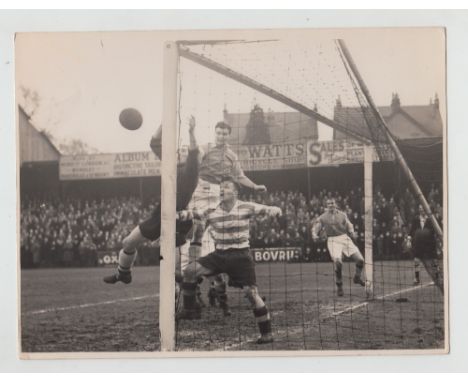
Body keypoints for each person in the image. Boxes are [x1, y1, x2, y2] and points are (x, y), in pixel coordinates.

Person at [178, 178, 281, 345]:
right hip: (219, 255)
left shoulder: (245, 206)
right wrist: (179, 215)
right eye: (221, 187)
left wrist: (274, 209)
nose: (222, 189)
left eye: (226, 187)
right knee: (190, 271)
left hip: (241, 256)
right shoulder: (211, 209)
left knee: (251, 294)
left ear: (235, 192)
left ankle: (266, 334)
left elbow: (265, 209)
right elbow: (193, 214)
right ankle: (190, 310)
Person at [103, 117, 200, 285]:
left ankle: (186, 296)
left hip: (179, 218)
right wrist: (164, 121)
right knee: (128, 242)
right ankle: (123, 273)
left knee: (173, 270)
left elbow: (193, 152)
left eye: (184, 150)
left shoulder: (191, 171)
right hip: (160, 214)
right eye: (180, 150)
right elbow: (154, 143)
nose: (181, 152)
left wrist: (191, 132)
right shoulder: (170, 164)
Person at [187, 121, 267, 307]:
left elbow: (239, 176)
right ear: (215, 133)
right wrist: (191, 132)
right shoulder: (206, 147)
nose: (221, 136)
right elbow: (193, 155)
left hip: (218, 191)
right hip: (200, 188)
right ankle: (196, 271)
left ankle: (220, 271)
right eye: (219, 133)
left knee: (219, 227)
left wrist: (255, 186)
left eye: (224, 133)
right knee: (194, 225)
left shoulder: (231, 155)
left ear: (228, 135)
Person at [311, 198, 366, 297]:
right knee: (338, 262)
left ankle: (357, 277)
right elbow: (316, 226)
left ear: (335, 204)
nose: (330, 205)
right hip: (332, 240)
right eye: (328, 204)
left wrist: (352, 232)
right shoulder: (323, 217)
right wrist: (314, 234)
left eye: (332, 203)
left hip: (344, 238)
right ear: (326, 206)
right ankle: (339, 285)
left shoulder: (342, 215)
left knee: (361, 260)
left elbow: (349, 225)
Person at [407, 204, 441, 286]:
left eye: (422, 208)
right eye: (419, 208)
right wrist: (408, 240)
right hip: (419, 244)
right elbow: (411, 231)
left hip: (430, 243)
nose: (421, 210)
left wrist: (439, 243)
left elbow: (437, 231)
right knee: (416, 260)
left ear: (426, 209)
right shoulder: (416, 219)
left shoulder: (431, 219)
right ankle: (417, 279)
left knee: (434, 261)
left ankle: (437, 278)